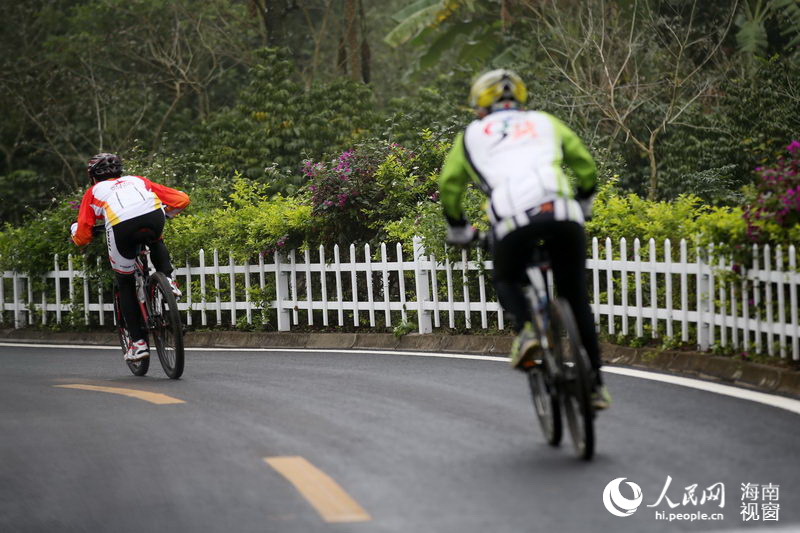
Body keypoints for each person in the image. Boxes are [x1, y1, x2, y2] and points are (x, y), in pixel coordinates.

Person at [438, 69, 611, 410]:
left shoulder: (472, 135)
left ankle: (529, 331)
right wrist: (585, 198)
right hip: (563, 212)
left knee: (505, 278)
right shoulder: (544, 121)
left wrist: (459, 226)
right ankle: (595, 386)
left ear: (480, 105)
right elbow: (585, 164)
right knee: (576, 297)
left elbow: (449, 185)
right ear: (519, 98)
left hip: (513, 218)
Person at [70, 153, 189, 362]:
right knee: (155, 238)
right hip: (153, 217)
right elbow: (182, 199)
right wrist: (165, 214)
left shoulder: (93, 191)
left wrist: (74, 233)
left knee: (124, 282)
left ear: (93, 176)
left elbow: (82, 237)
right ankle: (168, 281)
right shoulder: (138, 180)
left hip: (121, 227)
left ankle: (138, 343)